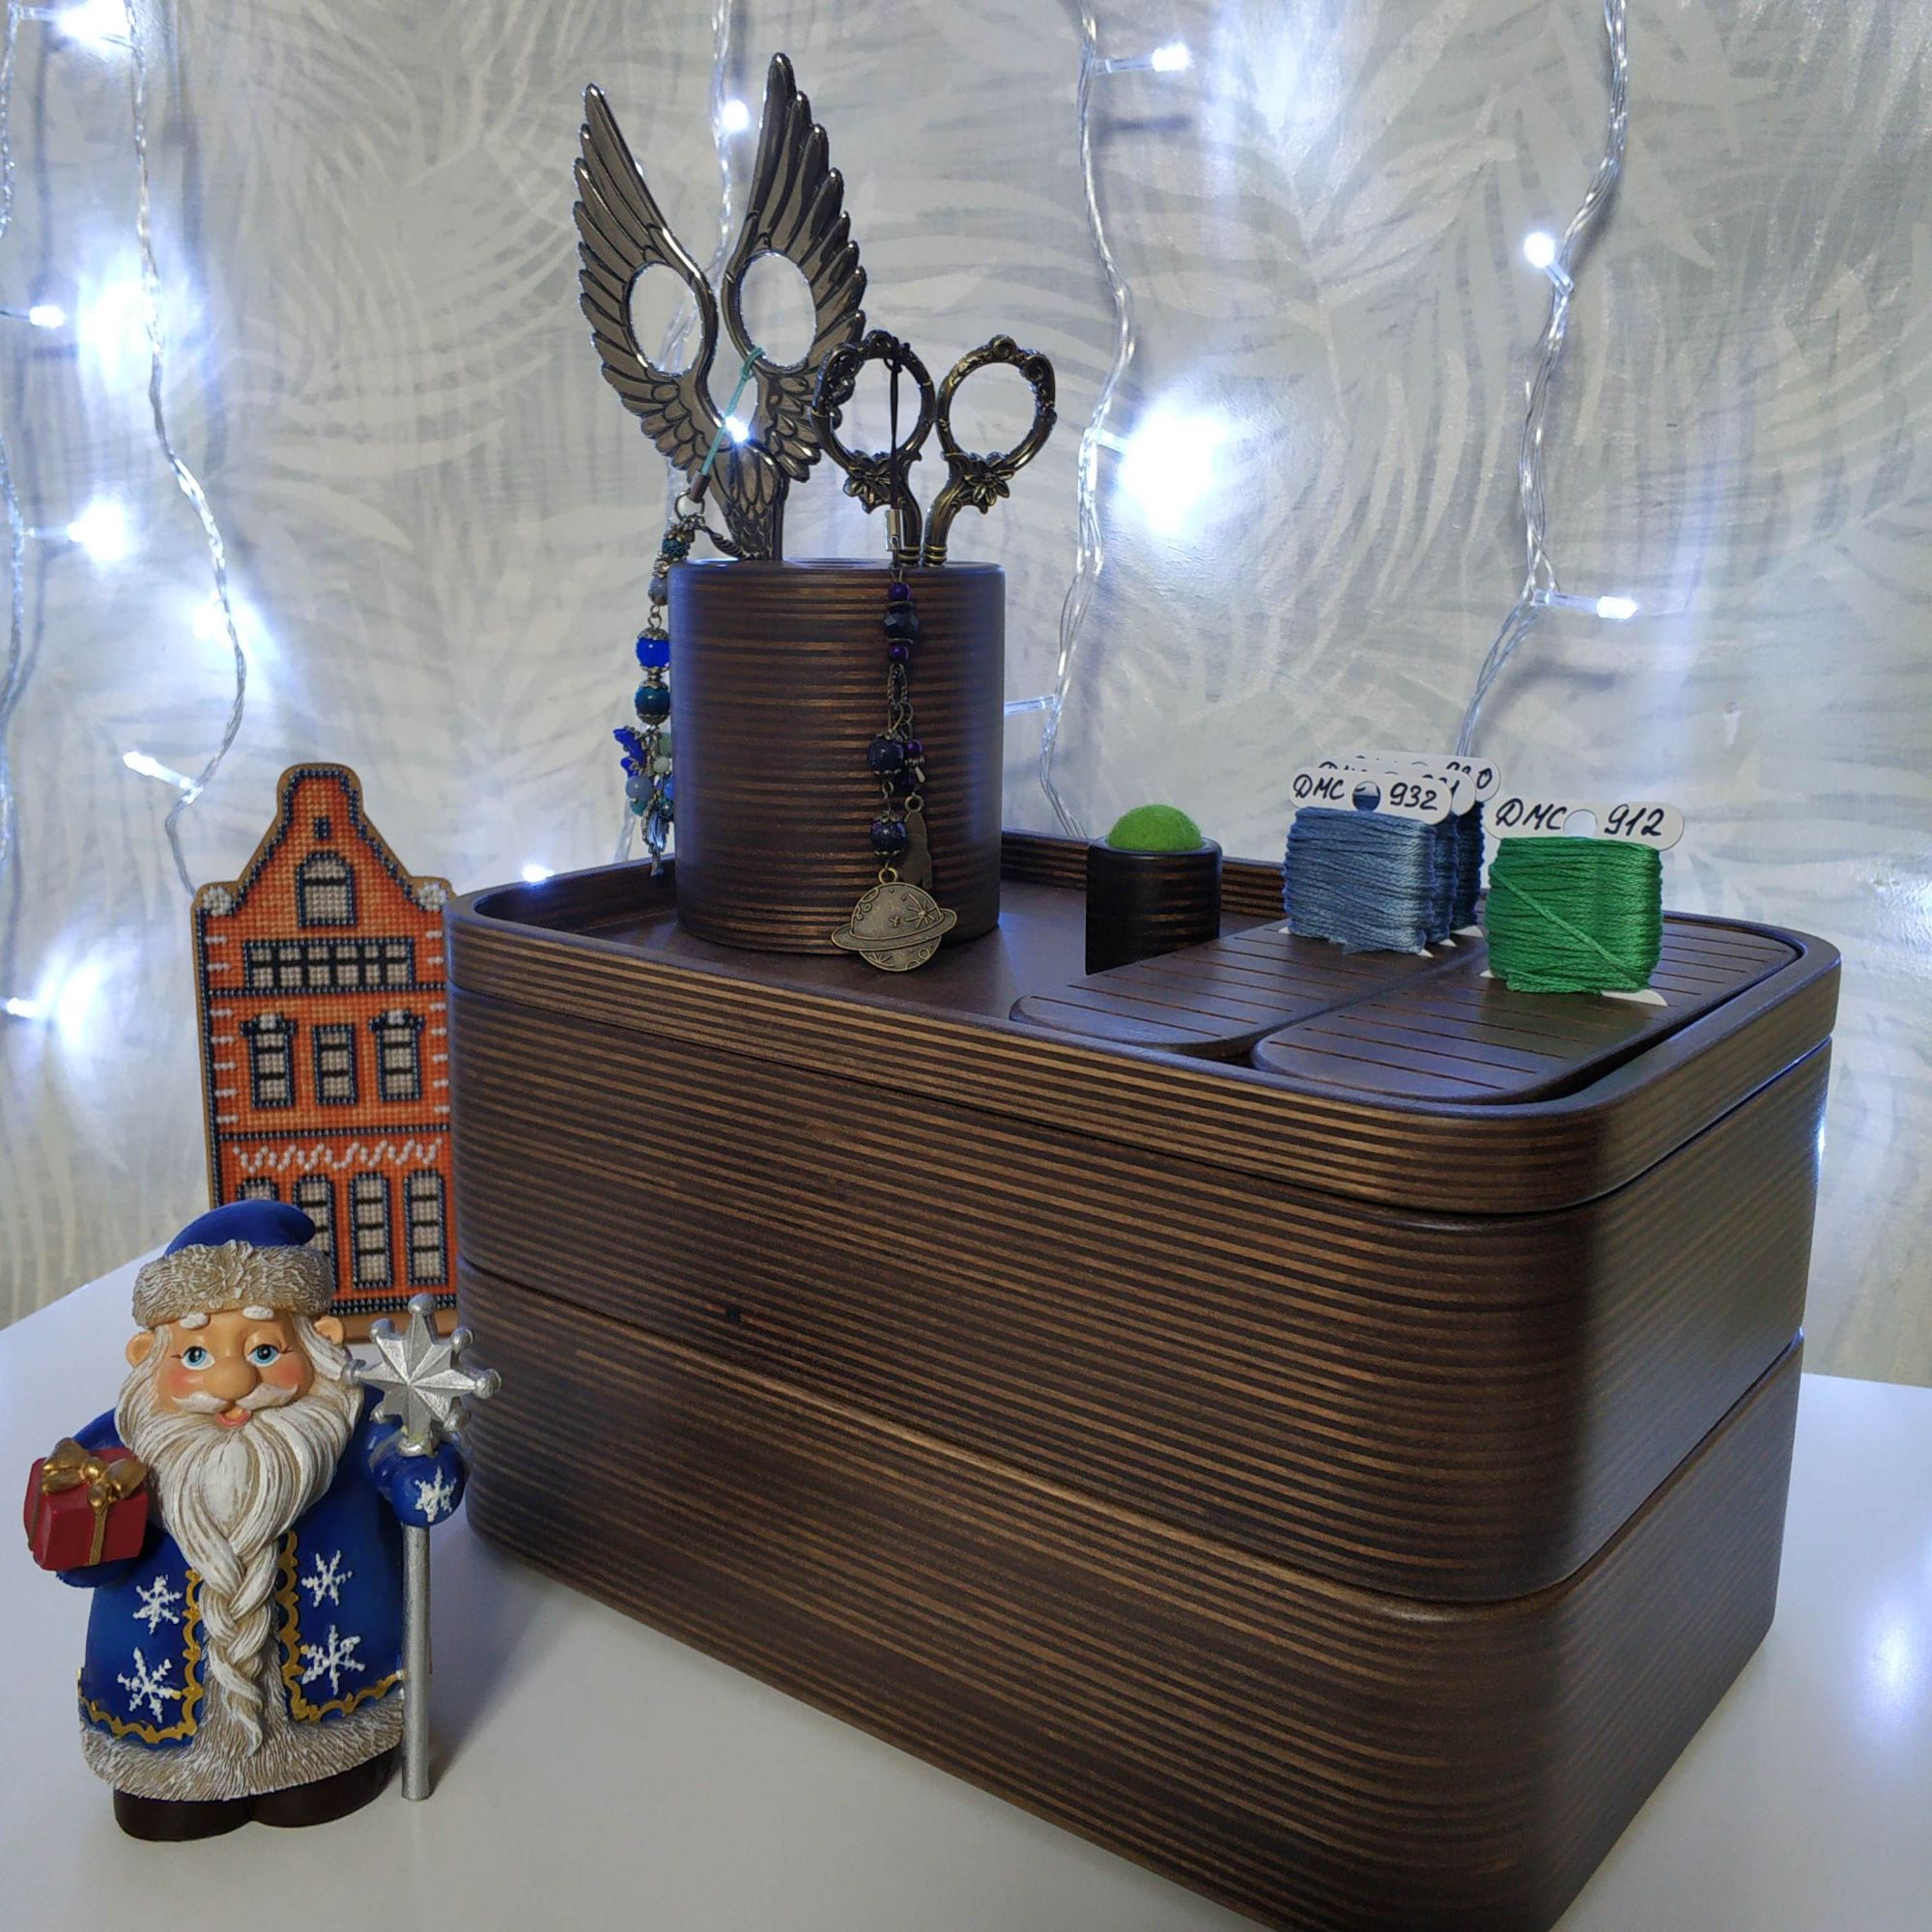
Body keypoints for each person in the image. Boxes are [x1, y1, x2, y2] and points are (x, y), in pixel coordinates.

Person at [37, 1200, 465, 1839]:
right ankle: (182, 1786)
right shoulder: (125, 1447)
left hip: (327, 1697)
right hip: (162, 1712)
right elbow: (85, 1543)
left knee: (316, 1796)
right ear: (147, 1356)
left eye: (264, 1350)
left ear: (321, 1341)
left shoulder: (352, 1421)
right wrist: (83, 1538)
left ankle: (315, 1766)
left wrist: (423, 1477)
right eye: (196, 1356)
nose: (233, 1380)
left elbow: (408, 1467)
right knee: (164, 1818)